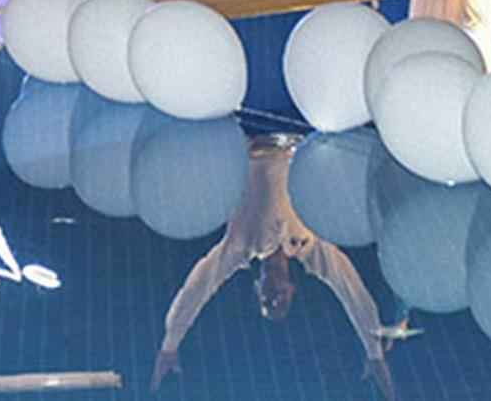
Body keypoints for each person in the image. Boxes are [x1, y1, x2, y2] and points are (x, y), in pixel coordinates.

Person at [153, 133, 397, 400]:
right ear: (291, 290)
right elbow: (351, 290)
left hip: (253, 136)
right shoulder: (310, 246)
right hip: (303, 139)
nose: (274, 297)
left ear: (257, 289)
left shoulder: (241, 246)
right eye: (280, 302)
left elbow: (198, 288)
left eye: (266, 302)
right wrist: (375, 354)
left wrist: (169, 345)